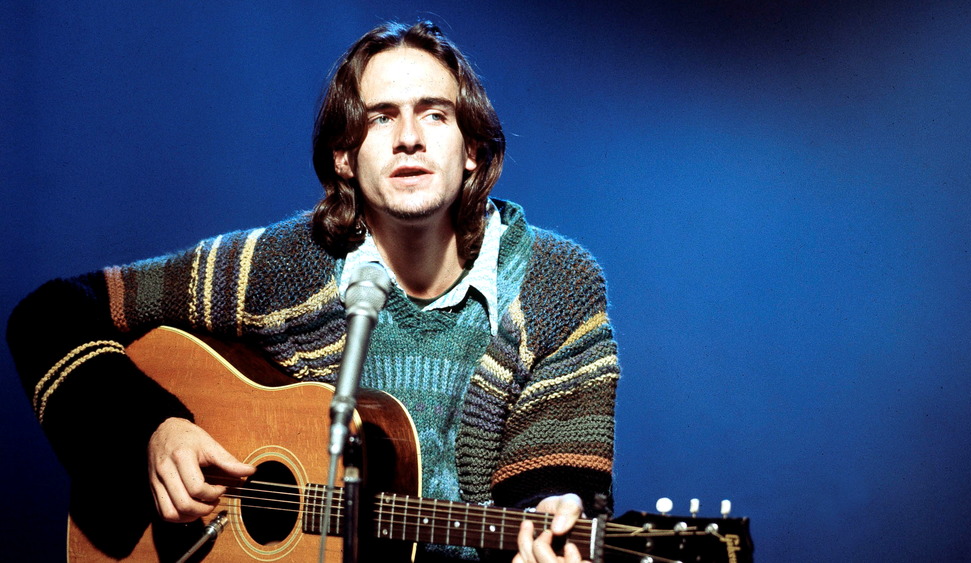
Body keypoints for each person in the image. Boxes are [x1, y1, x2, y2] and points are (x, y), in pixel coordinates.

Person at [7, 21, 620, 563]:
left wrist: (554, 516)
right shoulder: (284, 266)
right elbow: (50, 315)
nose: (409, 137)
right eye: (381, 117)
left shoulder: (552, 282)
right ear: (344, 157)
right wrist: (150, 429)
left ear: (473, 151)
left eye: (435, 114)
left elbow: (554, 483)